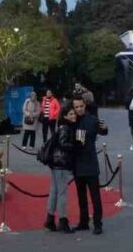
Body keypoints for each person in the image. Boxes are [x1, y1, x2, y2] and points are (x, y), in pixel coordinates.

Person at [69, 96, 107, 235]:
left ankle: (98, 223)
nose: (79, 109)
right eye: (76, 107)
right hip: (77, 163)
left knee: (95, 196)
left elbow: (103, 130)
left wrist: (105, 127)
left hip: (90, 162)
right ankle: (83, 222)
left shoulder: (92, 119)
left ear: (85, 105)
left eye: (81, 106)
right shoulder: (72, 120)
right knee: (81, 196)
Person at [43, 107, 77, 234]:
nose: (74, 115)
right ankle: (63, 220)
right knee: (62, 192)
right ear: (65, 116)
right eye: (71, 113)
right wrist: (75, 145)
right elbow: (63, 144)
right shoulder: (66, 128)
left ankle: (50, 219)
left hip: (55, 162)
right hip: (61, 163)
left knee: (54, 191)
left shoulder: (62, 127)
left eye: (74, 113)